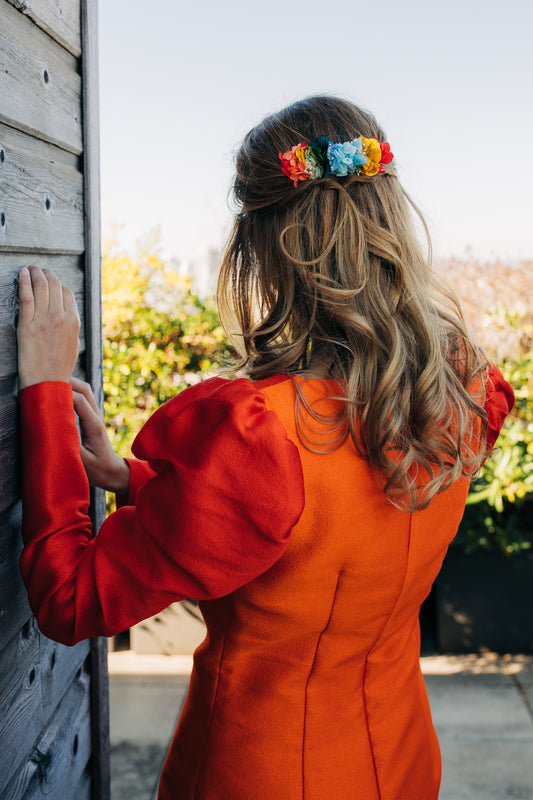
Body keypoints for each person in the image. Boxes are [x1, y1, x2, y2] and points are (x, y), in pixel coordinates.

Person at [17, 96, 514, 800]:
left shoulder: (260, 433)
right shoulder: (454, 388)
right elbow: (322, 532)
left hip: (257, 775)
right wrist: (130, 478)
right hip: (401, 761)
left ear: (260, 244)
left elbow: (69, 600)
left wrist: (42, 395)